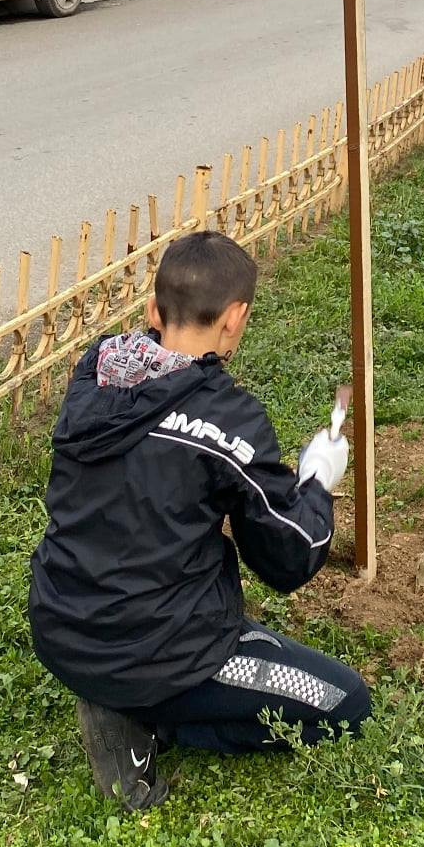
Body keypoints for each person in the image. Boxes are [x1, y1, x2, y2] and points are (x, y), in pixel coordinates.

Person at [28, 231, 370, 809]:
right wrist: (317, 480)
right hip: (161, 649)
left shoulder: (92, 378)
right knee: (345, 703)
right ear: (235, 318)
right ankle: (144, 719)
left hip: (62, 626)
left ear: (152, 311)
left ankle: (119, 692)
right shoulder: (226, 419)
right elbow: (288, 556)